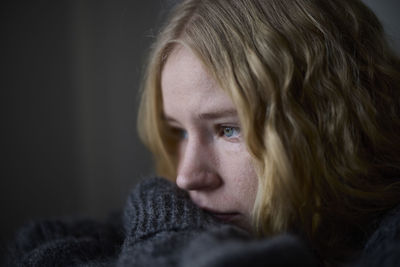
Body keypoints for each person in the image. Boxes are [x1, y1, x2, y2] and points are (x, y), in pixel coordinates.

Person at [5, 0, 400, 266]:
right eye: (178, 133)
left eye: (228, 129)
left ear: (336, 124)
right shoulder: (147, 217)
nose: (186, 177)